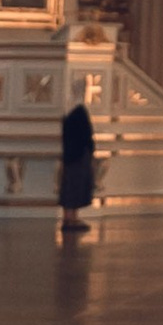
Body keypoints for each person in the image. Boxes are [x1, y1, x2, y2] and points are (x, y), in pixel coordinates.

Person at [58, 93, 99, 244]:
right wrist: (91, 149)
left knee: (69, 185)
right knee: (76, 186)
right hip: (80, 155)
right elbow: (87, 134)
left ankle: (68, 216)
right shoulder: (79, 112)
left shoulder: (67, 113)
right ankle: (71, 217)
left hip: (69, 154)